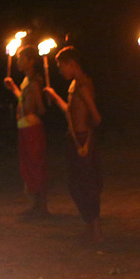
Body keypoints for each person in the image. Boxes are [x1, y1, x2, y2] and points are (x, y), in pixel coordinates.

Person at [44, 46, 103, 243]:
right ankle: (89, 226)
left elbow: (95, 115)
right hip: (75, 137)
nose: (61, 72)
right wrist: (55, 97)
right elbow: (70, 111)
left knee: (86, 184)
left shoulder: (83, 85)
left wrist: (87, 137)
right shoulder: (74, 85)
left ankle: (95, 230)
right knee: (75, 184)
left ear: (72, 64)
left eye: (62, 67)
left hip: (82, 138)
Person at [4, 44, 49, 217]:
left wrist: (32, 111)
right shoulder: (26, 81)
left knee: (36, 165)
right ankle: (35, 205)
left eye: (21, 58)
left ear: (31, 61)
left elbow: (40, 108)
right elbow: (24, 100)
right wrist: (14, 88)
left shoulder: (35, 82)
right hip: (24, 126)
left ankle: (41, 206)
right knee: (28, 166)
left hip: (32, 127)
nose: (18, 61)